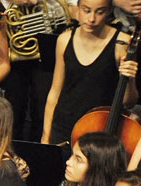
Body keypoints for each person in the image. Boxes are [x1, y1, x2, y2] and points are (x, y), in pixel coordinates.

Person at [41, 0, 137, 148]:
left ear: (109, 11)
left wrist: (129, 79)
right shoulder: (64, 40)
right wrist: (46, 136)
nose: (92, 19)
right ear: (77, 8)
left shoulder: (121, 43)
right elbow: (54, 92)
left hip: (99, 129)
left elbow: (128, 102)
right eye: (86, 10)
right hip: (63, 127)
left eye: (100, 12)